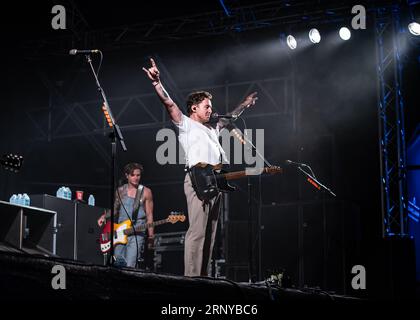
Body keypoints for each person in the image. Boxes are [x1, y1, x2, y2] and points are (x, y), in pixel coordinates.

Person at [143, 58, 257, 276]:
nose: (210, 110)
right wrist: (157, 83)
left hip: (216, 180)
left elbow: (229, 118)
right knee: (197, 231)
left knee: (210, 233)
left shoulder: (211, 129)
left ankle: (203, 277)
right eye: (207, 106)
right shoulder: (185, 124)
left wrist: (244, 104)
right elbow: (169, 103)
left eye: (211, 107)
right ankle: (192, 278)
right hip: (198, 178)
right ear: (194, 107)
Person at [97, 162, 154, 268]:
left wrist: (151, 236)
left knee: (130, 266)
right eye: (133, 175)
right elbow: (115, 210)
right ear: (127, 176)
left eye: (138, 175)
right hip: (120, 232)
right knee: (118, 263)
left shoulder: (146, 192)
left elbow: (150, 215)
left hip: (137, 233)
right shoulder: (120, 191)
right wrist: (104, 216)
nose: (136, 178)